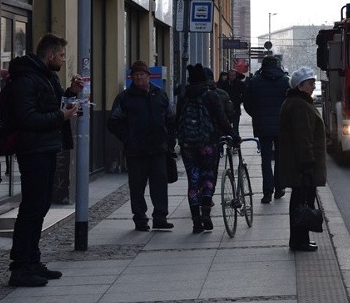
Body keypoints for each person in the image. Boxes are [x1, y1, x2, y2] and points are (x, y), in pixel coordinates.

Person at [5, 33, 83, 287]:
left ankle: (33, 260)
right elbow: (27, 117)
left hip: (47, 147)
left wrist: (72, 92)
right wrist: (61, 117)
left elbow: (54, 105)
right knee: (32, 207)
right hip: (33, 150)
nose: (62, 59)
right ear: (50, 55)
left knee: (41, 206)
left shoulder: (47, 77)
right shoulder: (27, 79)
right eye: (61, 55)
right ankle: (20, 266)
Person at [107, 60, 176, 232]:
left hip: (158, 148)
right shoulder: (124, 98)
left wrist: (170, 140)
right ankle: (140, 219)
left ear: (148, 76)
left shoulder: (159, 94)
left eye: (142, 75)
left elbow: (170, 118)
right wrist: (128, 138)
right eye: (135, 75)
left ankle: (160, 217)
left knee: (159, 185)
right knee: (137, 187)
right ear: (131, 78)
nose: (139, 78)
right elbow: (114, 122)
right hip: (136, 150)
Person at [177, 63, 235, 234]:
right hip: (208, 144)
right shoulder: (211, 96)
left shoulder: (183, 96)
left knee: (193, 182)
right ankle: (206, 214)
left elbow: (177, 120)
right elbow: (222, 119)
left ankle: (196, 221)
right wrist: (234, 135)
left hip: (188, 145)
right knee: (208, 178)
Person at [278, 67, 326, 252]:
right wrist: (308, 164)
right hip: (302, 165)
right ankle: (299, 241)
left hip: (298, 164)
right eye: (310, 83)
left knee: (301, 201)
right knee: (302, 202)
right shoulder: (299, 105)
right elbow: (303, 137)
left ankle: (300, 239)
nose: (314, 86)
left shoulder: (297, 102)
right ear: (300, 86)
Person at [243, 55, 290, 204]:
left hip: (262, 125)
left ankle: (267, 193)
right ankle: (279, 188)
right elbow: (291, 103)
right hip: (282, 126)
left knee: (265, 159)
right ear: (278, 65)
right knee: (281, 158)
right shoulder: (285, 81)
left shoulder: (255, 81)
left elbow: (247, 103)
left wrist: (257, 115)